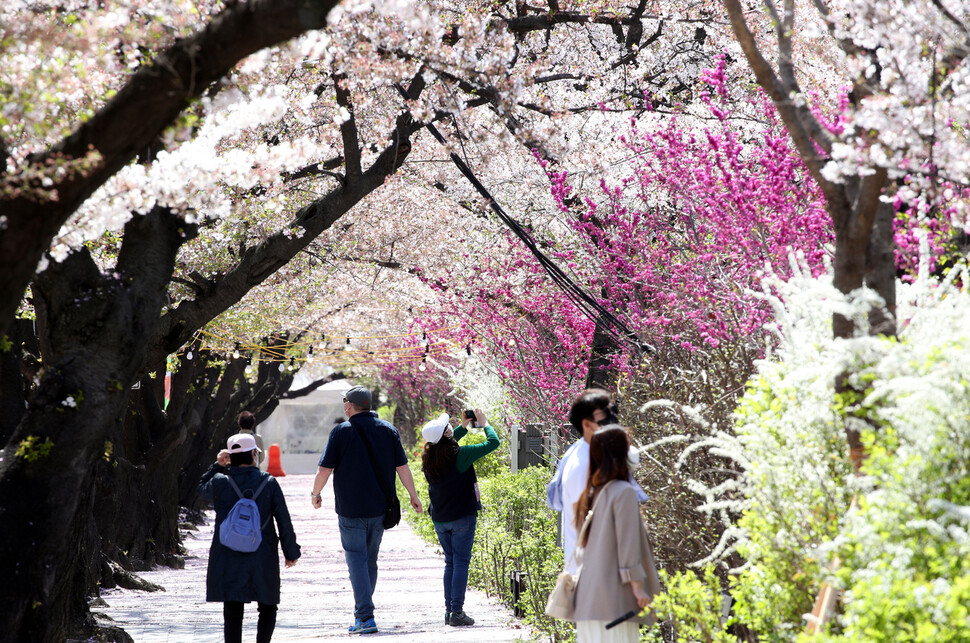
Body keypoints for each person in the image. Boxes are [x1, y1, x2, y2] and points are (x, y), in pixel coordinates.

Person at [310, 385, 423, 634]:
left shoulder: (340, 432)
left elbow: (324, 470)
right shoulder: (388, 430)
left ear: (349, 405)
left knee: (356, 560)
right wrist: (413, 496)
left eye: (344, 402)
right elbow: (402, 467)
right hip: (380, 509)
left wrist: (315, 494)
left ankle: (365, 616)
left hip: (350, 509)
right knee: (369, 560)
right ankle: (364, 612)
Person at [199, 433, 301, 643]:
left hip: (228, 552)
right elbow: (283, 519)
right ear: (254, 454)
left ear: (230, 456)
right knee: (267, 605)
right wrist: (290, 552)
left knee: (233, 607)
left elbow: (201, 488)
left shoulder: (220, 482)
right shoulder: (269, 482)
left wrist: (217, 466)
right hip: (262, 553)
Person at [572, 424, 661, 642]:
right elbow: (627, 545)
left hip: (587, 600)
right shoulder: (623, 492)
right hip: (615, 602)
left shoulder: (593, 491)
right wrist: (638, 588)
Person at [420, 408, 500, 627]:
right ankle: (457, 612)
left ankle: (449, 611)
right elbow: (493, 443)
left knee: (450, 562)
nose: (451, 429)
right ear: (447, 435)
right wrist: (485, 424)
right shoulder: (461, 455)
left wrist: (462, 427)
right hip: (462, 518)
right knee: (461, 563)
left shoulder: (429, 458)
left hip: (440, 519)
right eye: (449, 428)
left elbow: (445, 442)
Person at [546, 389, 620, 571]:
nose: (612, 419)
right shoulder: (585, 463)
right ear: (587, 424)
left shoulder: (583, 452)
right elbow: (593, 522)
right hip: (593, 572)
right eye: (605, 414)